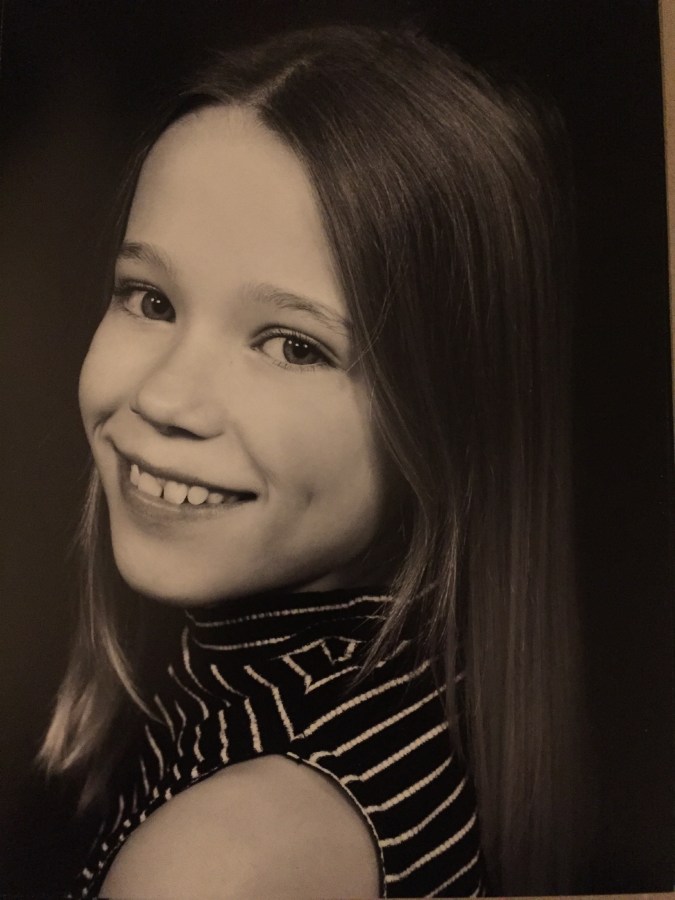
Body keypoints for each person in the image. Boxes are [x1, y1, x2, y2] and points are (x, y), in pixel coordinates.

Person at [38, 23, 588, 898]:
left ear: (443, 418)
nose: (167, 398)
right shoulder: (400, 702)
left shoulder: (222, 862)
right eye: (151, 298)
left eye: (293, 345)